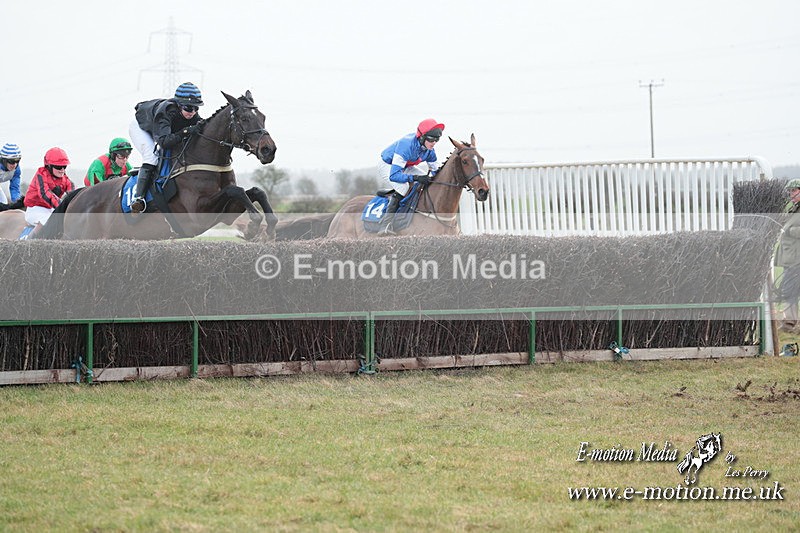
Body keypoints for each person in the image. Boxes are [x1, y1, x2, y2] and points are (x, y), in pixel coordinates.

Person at [128, 81, 204, 213]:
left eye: (196, 108)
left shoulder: (191, 114)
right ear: (179, 105)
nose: (193, 112)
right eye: (189, 108)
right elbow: (164, 142)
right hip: (142, 128)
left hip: (160, 131)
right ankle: (138, 199)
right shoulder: (166, 112)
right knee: (151, 157)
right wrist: (185, 132)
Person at [376, 118, 444, 234]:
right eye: (431, 139)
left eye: (436, 140)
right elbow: (394, 175)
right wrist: (415, 178)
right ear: (422, 137)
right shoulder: (406, 146)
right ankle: (385, 225)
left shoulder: (430, 150)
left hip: (405, 166)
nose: (434, 143)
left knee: (425, 178)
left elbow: (435, 171)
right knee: (403, 187)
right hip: (388, 165)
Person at [23, 147, 74, 232]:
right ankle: (29, 242)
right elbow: (45, 194)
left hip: (51, 209)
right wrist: (62, 206)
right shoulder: (41, 174)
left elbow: (72, 191)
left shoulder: (64, 177)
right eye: (58, 167)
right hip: (35, 209)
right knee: (48, 223)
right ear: (49, 166)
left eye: (64, 166)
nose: (62, 170)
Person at [777, 178, 800, 333]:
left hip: (796, 259)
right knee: (789, 290)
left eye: (794, 191)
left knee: (790, 289)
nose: (791, 194)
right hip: (790, 257)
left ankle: (789, 323)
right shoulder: (793, 209)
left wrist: (789, 231)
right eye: (790, 191)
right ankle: (789, 322)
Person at [0, 142, 24, 210]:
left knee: (4, 205)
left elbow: (14, 188)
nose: (15, 165)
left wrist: (16, 203)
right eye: (12, 161)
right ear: (4, 160)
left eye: (17, 161)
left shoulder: (16, 170)